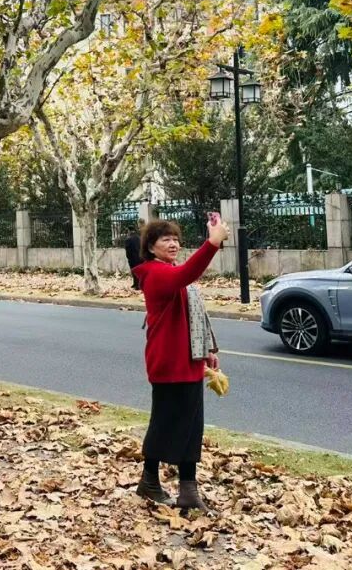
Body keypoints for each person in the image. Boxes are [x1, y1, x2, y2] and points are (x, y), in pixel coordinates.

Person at [132, 215, 229, 513]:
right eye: (166, 239)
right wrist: (212, 243)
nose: (173, 244)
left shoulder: (170, 271)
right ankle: (153, 482)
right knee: (166, 424)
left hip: (188, 360)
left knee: (189, 426)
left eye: (175, 239)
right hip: (169, 362)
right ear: (151, 247)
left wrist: (208, 349)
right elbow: (189, 273)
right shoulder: (155, 273)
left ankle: (184, 489)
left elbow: (192, 314)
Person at [124, 220, 145, 290]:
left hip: (133, 258)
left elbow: (128, 250)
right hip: (141, 257)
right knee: (139, 271)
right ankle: (138, 284)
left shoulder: (128, 239)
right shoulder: (139, 238)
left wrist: (128, 258)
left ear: (129, 231)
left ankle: (136, 285)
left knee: (134, 271)